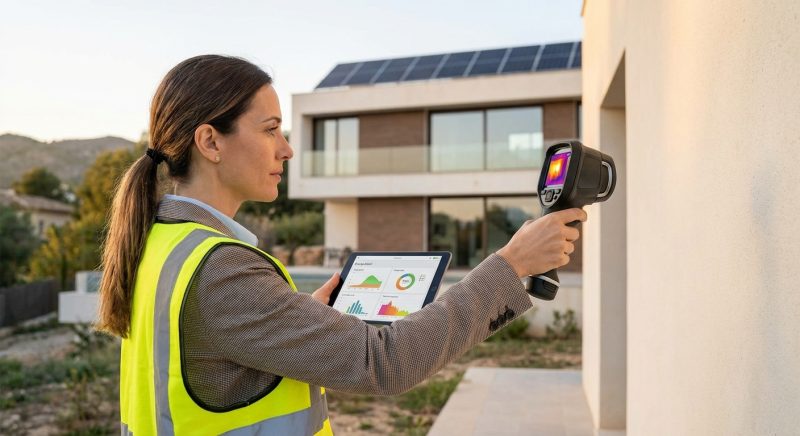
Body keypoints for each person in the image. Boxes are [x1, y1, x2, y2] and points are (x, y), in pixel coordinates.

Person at [97, 55, 586, 436]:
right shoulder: (221, 271)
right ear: (211, 141)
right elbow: (385, 362)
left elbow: (208, 360)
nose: (286, 148)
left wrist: (298, 317)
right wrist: (511, 262)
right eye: (270, 130)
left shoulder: (160, 244)